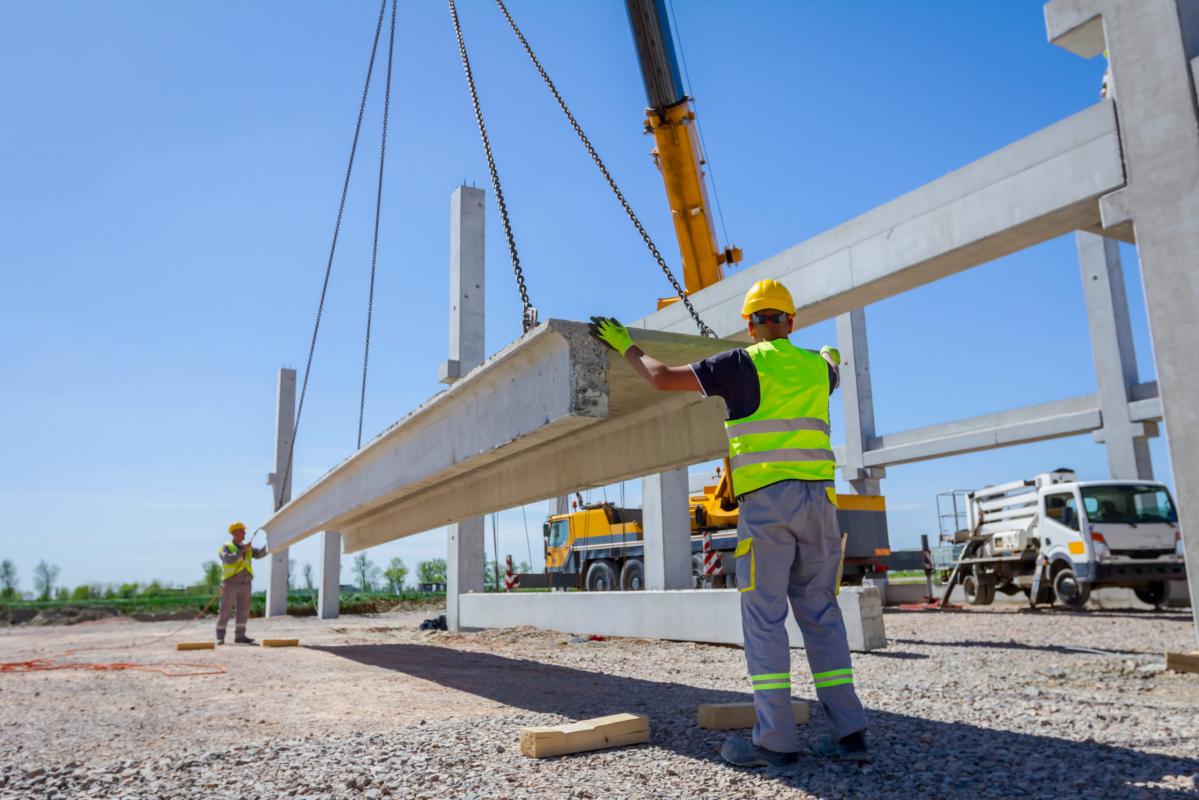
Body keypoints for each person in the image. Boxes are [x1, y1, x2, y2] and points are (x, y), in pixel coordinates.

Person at [588, 278, 869, 767]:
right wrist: (830, 358)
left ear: (749, 324)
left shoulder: (739, 364)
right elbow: (833, 371)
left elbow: (658, 376)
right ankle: (851, 737)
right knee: (822, 614)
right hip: (820, 504)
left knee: (765, 620)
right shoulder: (816, 369)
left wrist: (624, 344)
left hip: (768, 507)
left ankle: (776, 742)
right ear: (790, 321)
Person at [216, 522, 266, 645]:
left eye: (244, 531)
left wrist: (269, 545)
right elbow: (228, 559)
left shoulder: (246, 547)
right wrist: (241, 551)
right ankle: (220, 637)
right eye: (242, 531)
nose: (244, 533)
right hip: (231, 583)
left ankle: (240, 636)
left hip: (246, 583)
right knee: (225, 610)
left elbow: (259, 554)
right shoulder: (226, 547)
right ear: (234, 533)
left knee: (243, 610)